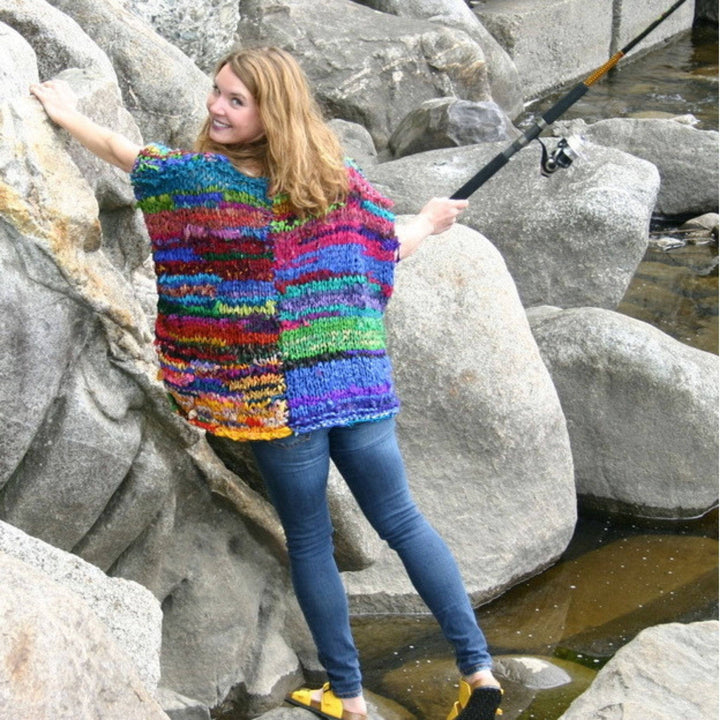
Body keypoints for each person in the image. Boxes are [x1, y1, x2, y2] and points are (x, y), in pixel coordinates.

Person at [30, 46, 502, 720]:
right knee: (403, 523)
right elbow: (383, 248)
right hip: (355, 384)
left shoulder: (199, 182)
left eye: (235, 100)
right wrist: (427, 221)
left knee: (310, 539)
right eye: (217, 92)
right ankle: (478, 671)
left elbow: (121, 151)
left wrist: (66, 113)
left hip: (278, 400)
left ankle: (348, 696)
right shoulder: (338, 182)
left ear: (269, 110)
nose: (216, 107)